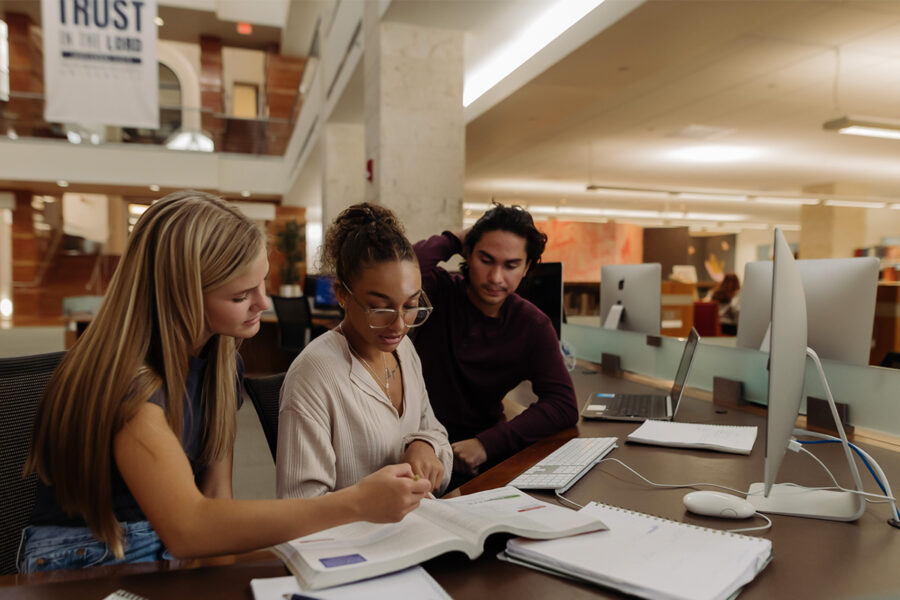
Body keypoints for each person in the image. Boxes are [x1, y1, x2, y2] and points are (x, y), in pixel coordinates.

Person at [20, 191, 431, 574]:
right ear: (180, 295)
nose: (264, 304)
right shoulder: (128, 385)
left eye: (262, 284)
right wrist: (357, 503)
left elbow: (216, 502)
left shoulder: (221, 364)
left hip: (167, 552)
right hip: (86, 562)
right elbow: (189, 527)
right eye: (240, 296)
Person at [277, 203, 453, 498]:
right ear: (342, 294)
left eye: (410, 306)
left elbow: (438, 438)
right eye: (380, 308)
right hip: (356, 541)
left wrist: (425, 444)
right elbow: (298, 505)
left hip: (418, 527)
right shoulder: (314, 375)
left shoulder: (405, 350)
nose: (399, 325)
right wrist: (367, 500)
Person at [412, 203, 578, 483]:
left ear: (527, 267)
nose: (495, 278)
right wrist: (455, 238)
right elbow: (406, 264)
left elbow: (563, 404)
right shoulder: (439, 292)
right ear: (468, 254)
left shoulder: (532, 325)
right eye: (486, 259)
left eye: (511, 265)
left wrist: (487, 444)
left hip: (477, 454)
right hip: (415, 442)